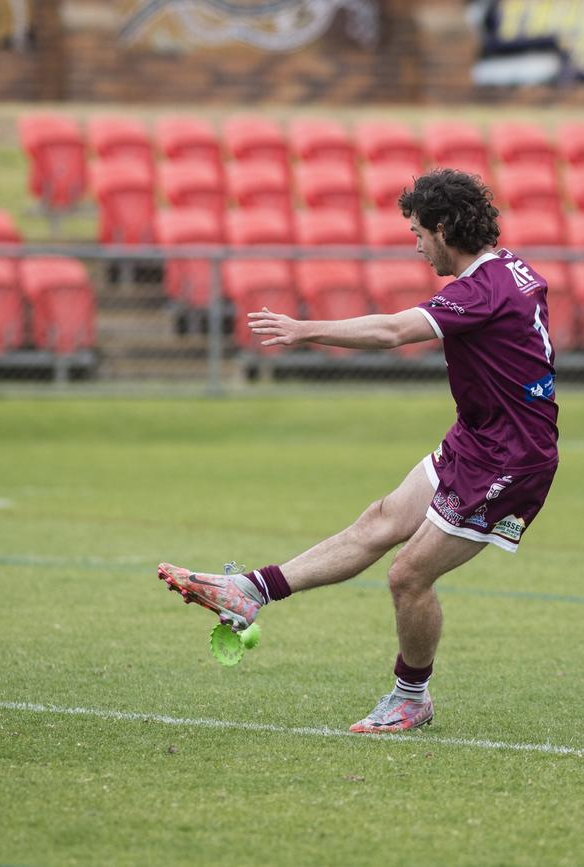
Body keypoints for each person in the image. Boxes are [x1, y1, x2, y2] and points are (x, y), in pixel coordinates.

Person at [158, 168, 559, 734]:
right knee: (381, 519)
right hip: (479, 438)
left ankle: (410, 697)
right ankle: (250, 590)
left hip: (510, 460)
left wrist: (304, 330)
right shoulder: (507, 270)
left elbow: (394, 332)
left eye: (419, 232)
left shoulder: (481, 290)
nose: (417, 245)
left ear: (444, 229)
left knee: (407, 576)